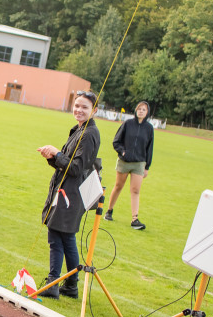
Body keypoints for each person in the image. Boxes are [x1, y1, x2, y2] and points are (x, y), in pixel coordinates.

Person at [38, 90, 102, 300]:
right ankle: (70, 284)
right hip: (68, 190)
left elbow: (76, 168)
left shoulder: (89, 134)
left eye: (84, 107)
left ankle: (53, 282)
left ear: (94, 110)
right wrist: (52, 157)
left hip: (72, 193)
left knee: (58, 237)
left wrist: (57, 154)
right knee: (65, 237)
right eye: (77, 105)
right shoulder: (80, 130)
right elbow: (69, 164)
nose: (79, 110)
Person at [106, 101, 155, 230]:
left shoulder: (149, 128)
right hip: (124, 162)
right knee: (118, 186)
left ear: (147, 112)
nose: (141, 111)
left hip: (139, 163)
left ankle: (135, 219)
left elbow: (150, 148)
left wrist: (147, 167)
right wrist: (122, 151)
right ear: (136, 110)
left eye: (144, 110)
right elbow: (116, 141)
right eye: (139, 109)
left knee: (135, 190)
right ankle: (109, 211)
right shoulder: (127, 124)